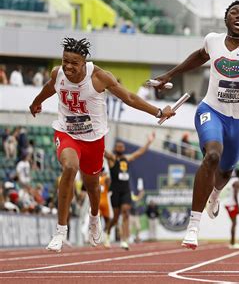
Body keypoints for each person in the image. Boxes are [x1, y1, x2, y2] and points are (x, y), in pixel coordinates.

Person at [149, 0, 239, 249]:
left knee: (225, 172)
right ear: (226, 19)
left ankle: (215, 195)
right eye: (234, 12)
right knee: (212, 155)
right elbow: (197, 57)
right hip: (211, 110)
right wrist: (170, 74)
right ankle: (193, 225)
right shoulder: (212, 40)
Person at [28, 37, 175, 252]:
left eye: (74, 63)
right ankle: (60, 230)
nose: (68, 67)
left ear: (84, 62)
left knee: (93, 187)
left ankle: (94, 218)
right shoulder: (57, 73)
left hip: (93, 139)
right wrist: (36, 101)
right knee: (69, 167)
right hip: (67, 133)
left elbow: (129, 98)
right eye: (65, 61)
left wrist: (159, 112)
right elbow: (51, 87)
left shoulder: (98, 77)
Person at [104, 132, 156, 250]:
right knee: (116, 217)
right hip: (115, 191)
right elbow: (103, 152)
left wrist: (149, 141)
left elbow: (140, 152)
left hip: (126, 190)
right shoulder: (112, 159)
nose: (121, 148)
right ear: (115, 148)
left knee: (126, 212)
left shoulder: (127, 158)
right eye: (118, 146)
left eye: (122, 146)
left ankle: (124, 240)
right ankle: (107, 233)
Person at [224, 169, 239, 249]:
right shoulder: (237, 182)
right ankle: (232, 243)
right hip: (231, 204)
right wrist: (238, 206)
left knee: (234, 223)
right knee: (234, 223)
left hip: (229, 203)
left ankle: (233, 241)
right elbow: (235, 195)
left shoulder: (232, 180)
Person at [98, 168, 112, 239]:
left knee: (97, 220)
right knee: (108, 220)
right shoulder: (105, 178)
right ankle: (105, 234)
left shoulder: (96, 179)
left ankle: (98, 236)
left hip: (97, 202)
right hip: (105, 202)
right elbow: (110, 187)